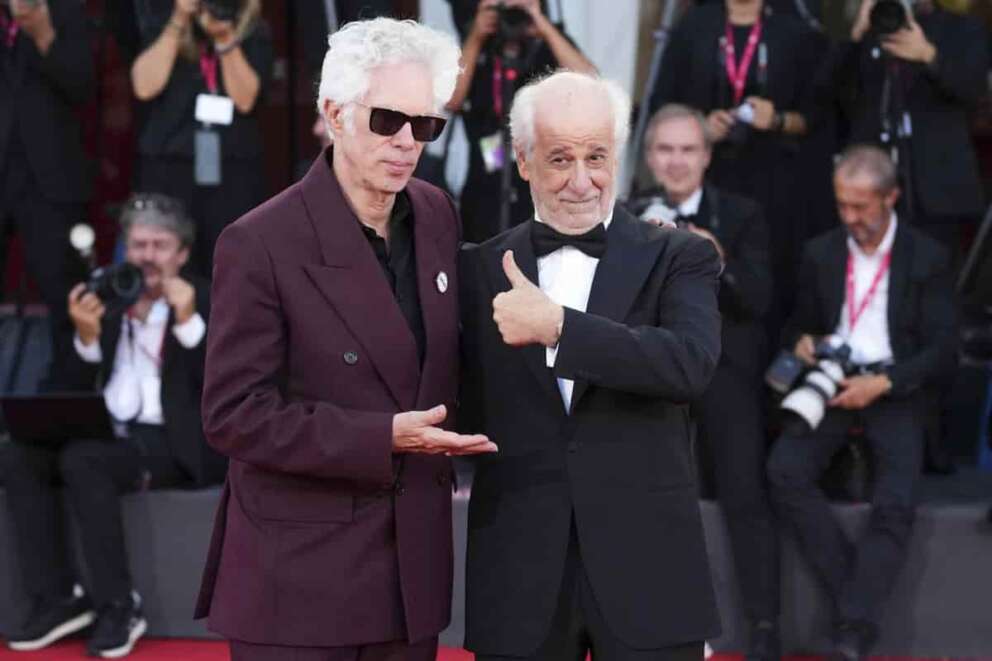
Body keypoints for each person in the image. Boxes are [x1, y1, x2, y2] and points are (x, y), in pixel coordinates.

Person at [194, 18, 497, 661]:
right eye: (388, 120)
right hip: (298, 582)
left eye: (426, 125)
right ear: (334, 113)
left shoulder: (437, 214)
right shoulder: (259, 242)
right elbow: (232, 416)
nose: (408, 142)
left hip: (409, 577)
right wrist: (380, 437)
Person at [459, 71, 723, 661]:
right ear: (523, 162)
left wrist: (559, 328)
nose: (582, 181)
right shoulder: (477, 270)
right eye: (559, 159)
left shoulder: (680, 256)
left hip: (650, 573)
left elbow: (688, 365)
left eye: (597, 156)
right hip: (519, 578)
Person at [0, 192, 222, 658]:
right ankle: (59, 599)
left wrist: (186, 323)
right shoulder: (106, 293)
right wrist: (86, 339)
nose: (147, 257)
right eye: (138, 245)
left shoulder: (208, 296)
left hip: (173, 442)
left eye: (160, 246)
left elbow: (224, 388)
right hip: (105, 430)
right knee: (18, 454)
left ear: (181, 253)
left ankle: (120, 605)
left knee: (84, 460)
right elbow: (60, 385)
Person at [766, 145, 957, 661]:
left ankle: (852, 625)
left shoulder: (928, 257)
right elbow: (797, 323)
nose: (851, 218)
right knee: (784, 470)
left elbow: (942, 351)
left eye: (862, 207)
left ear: (891, 198)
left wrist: (887, 383)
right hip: (832, 380)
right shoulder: (821, 252)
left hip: (895, 385)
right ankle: (857, 598)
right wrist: (802, 341)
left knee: (896, 499)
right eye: (843, 206)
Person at [626, 104, 779, 661]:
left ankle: (764, 627)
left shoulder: (742, 214)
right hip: (650, 376)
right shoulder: (625, 214)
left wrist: (720, 260)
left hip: (725, 374)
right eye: (665, 149)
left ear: (708, 156)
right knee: (646, 497)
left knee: (745, 494)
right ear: (647, 156)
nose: (676, 161)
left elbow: (759, 302)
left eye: (688, 149)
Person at [649, 0, 825, 343]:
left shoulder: (795, 30)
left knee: (765, 282)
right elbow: (662, 104)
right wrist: (700, 127)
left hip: (774, 184)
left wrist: (775, 119)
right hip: (703, 180)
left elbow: (818, 120)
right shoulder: (694, 26)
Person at [816, 0, 989, 259]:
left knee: (935, 279)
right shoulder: (869, 31)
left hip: (936, 189)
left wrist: (929, 55)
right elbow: (824, 95)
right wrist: (856, 34)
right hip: (869, 186)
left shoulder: (962, 28)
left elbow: (973, 91)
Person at [129, 0, 273, 276]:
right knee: (166, 266)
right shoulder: (162, 21)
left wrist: (225, 38)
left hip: (231, 172)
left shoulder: (253, 30)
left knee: (230, 267)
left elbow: (245, 99)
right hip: (169, 168)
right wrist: (179, 18)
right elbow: (143, 86)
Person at [445, 0, 595, 243]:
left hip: (544, 184)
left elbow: (591, 85)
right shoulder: (477, 44)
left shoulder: (546, 42)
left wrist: (544, 27)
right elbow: (450, 99)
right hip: (484, 184)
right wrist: (475, 37)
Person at [0, 0, 94, 388]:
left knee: (64, 298)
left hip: (50, 181)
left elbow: (82, 85)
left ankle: (64, 405)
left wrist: (42, 34)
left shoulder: (66, 10)